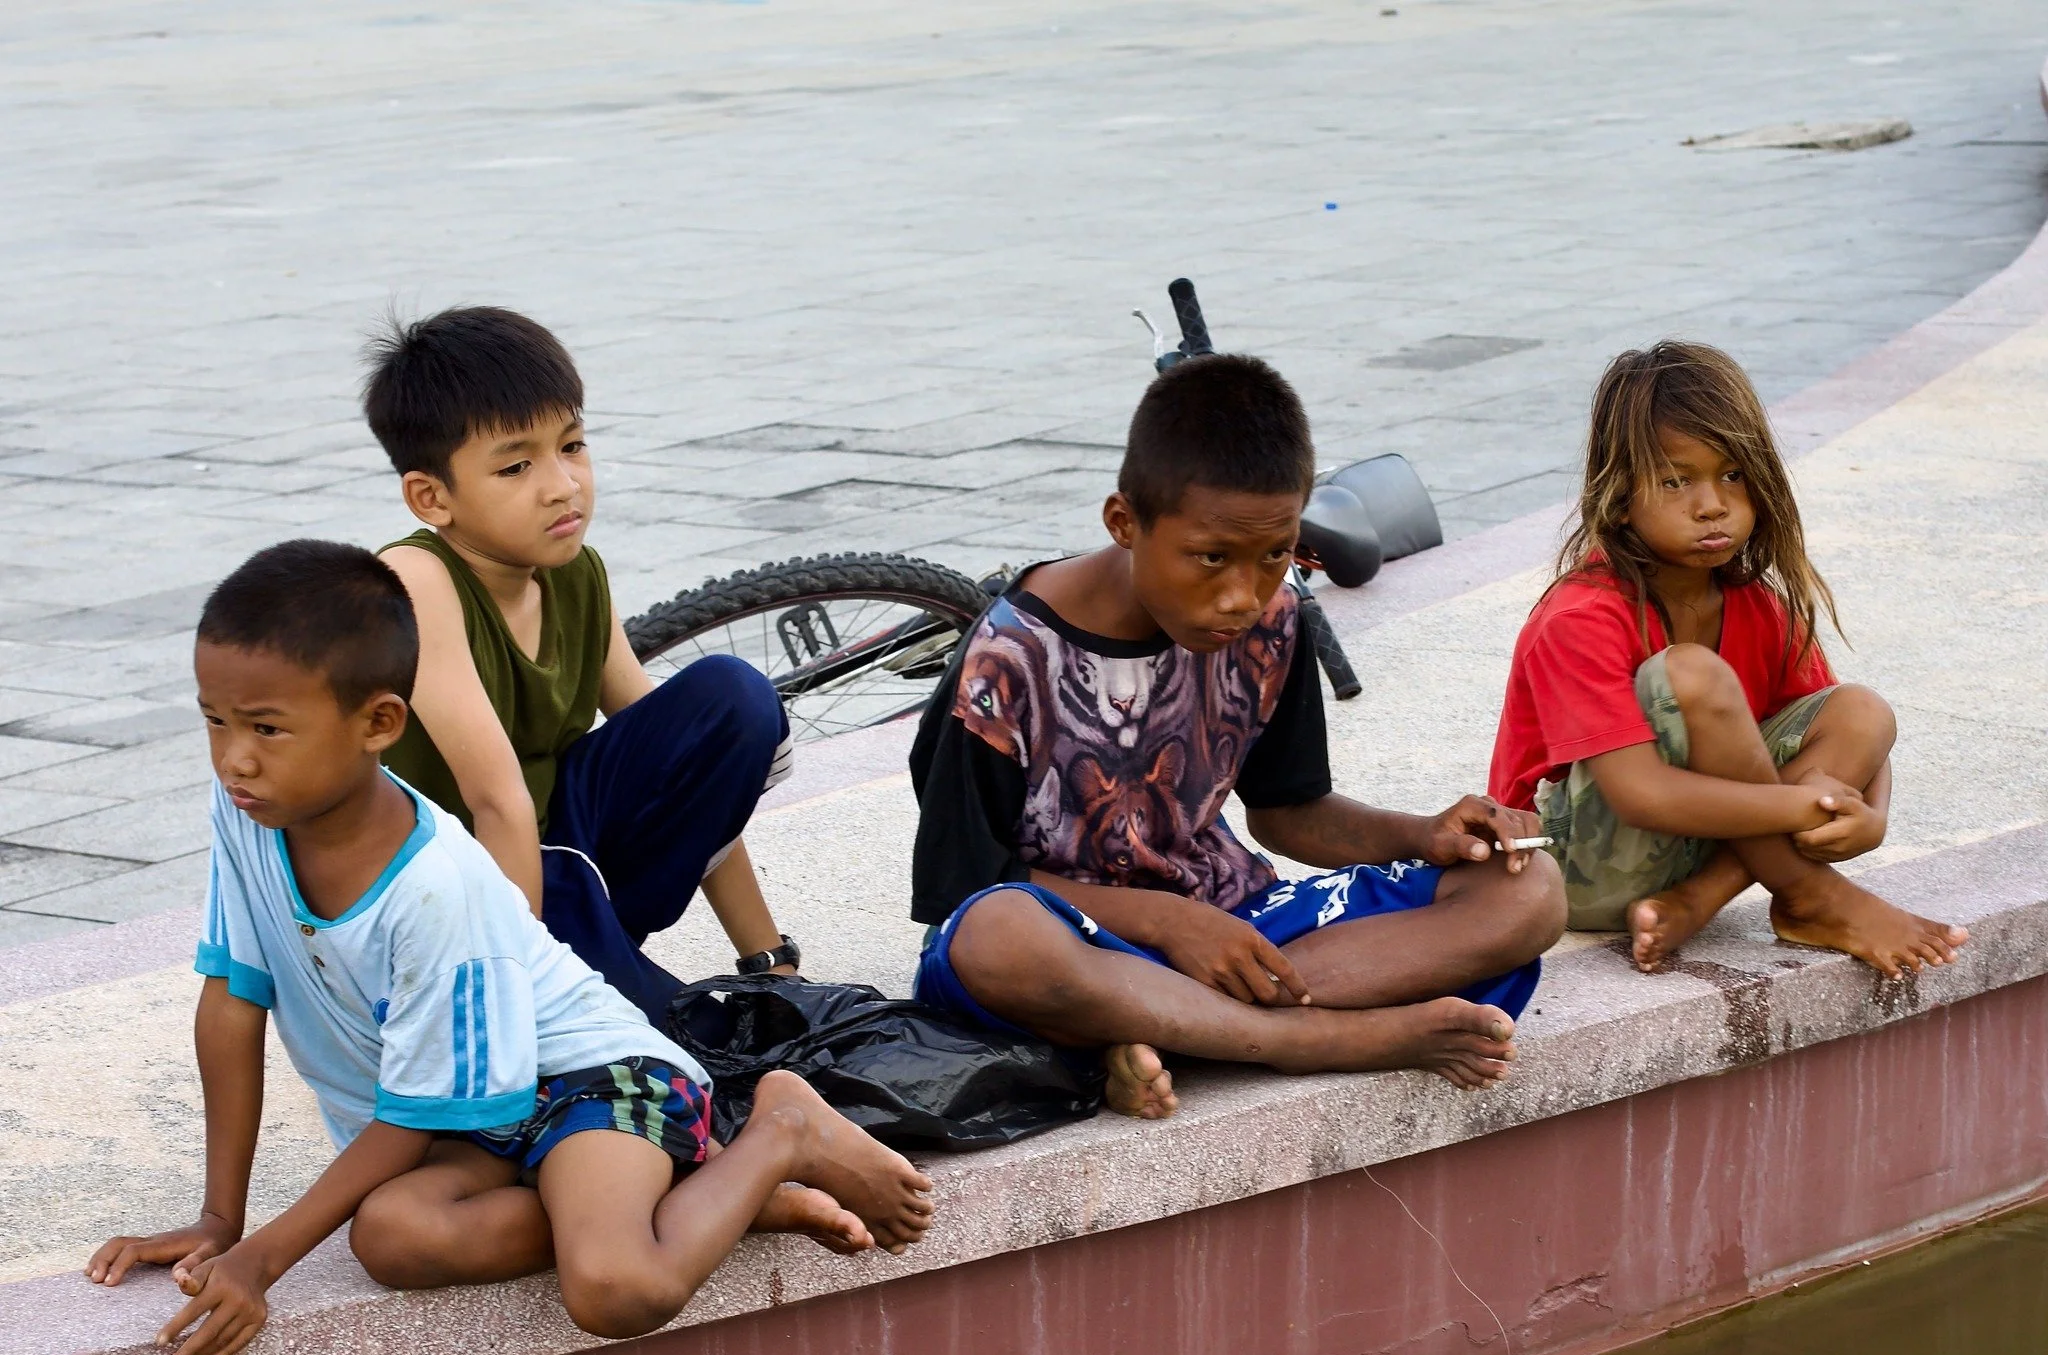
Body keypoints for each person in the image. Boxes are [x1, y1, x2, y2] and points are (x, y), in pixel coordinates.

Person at [86, 542, 934, 1355]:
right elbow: (234, 999)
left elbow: (411, 1114)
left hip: (594, 1079)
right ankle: (695, 1198)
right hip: (476, 1116)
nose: (235, 756)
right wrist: (217, 1220)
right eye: (216, 721)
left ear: (379, 722)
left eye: (269, 728)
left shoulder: (434, 884)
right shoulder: (247, 807)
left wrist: (264, 1261)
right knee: (389, 1235)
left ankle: (777, 1129)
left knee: (615, 1286)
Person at [907, 355, 1565, 1118]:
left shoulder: (1275, 620)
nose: (1241, 595)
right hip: (1077, 943)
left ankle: (1150, 1035)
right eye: (1210, 558)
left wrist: (1424, 833)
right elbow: (963, 889)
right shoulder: (1009, 658)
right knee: (995, 938)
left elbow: (1290, 811)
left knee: (1527, 895)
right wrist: (1169, 922)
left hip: (1240, 930)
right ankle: (1317, 1039)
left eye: (1274, 555)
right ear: (1124, 521)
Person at [361, 306, 799, 1027]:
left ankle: (602, 969)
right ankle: (574, 990)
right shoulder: (417, 578)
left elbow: (691, 762)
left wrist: (769, 959)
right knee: (693, 1052)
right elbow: (496, 799)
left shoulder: (572, 571)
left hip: (564, 862)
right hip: (460, 906)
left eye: (573, 445)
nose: (563, 485)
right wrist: (519, 1003)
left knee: (731, 699)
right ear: (430, 496)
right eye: (515, 465)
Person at [1488, 339, 1970, 976]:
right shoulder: (1581, 617)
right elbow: (1642, 797)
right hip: (1568, 868)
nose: (1711, 503)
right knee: (1693, 676)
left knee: (1862, 710)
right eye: (1676, 481)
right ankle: (1814, 896)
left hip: (1702, 848)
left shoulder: (1757, 605)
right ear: (1620, 495)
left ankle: (1700, 897)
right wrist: (1811, 807)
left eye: (1732, 475)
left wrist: (1870, 818)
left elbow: (1846, 742)